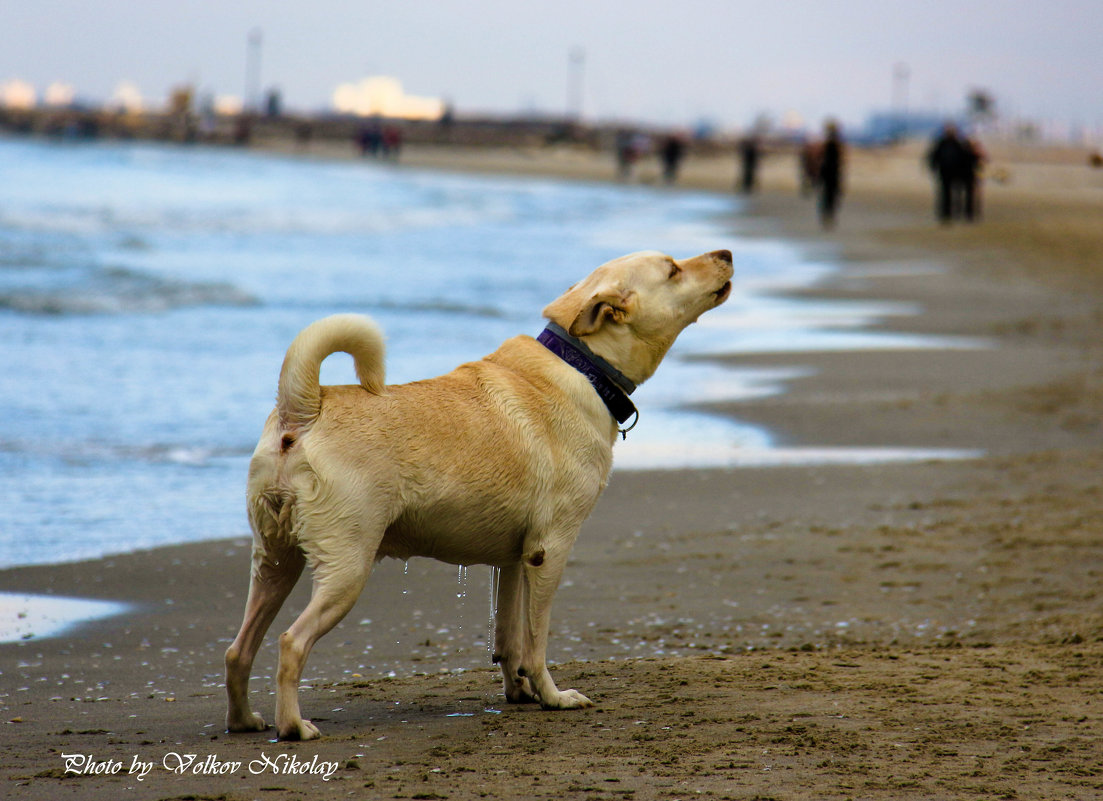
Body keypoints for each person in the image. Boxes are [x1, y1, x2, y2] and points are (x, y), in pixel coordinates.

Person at [927, 123, 971, 223]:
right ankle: (945, 214)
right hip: (944, 172)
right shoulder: (941, 143)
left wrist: (964, 171)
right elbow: (934, 156)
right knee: (945, 194)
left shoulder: (959, 144)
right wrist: (933, 167)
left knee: (957, 194)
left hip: (957, 173)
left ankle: (957, 213)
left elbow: (965, 158)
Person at [817, 120, 844, 229]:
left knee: (827, 196)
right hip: (832, 173)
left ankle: (827, 216)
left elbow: (821, 158)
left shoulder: (828, 143)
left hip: (828, 172)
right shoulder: (835, 144)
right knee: (831, 195)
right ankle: (829, 216)